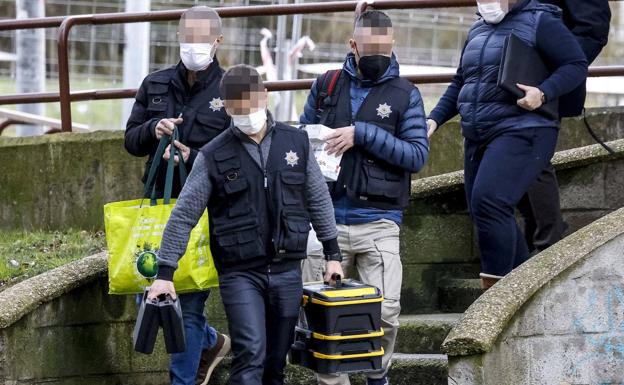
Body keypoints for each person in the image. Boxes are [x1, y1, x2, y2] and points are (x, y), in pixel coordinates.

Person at [147, 65, 344, 385]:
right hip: (240, 273)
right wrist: (165, 273)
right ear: (226, 107)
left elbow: (318, 199)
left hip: (287, 269)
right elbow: (184, 215)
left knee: (275, 364)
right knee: (251, 353)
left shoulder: (296, 143)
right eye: (237, 109)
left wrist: (333, 254)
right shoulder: (213, 155)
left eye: (251, 105)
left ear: (264, 96)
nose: (246, 114)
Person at [300, 10, 430, 385]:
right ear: (352, 45)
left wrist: (363, 134)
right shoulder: (325, 85)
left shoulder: (406, 95)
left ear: (392, 45)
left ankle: (378, 373)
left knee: (386, 312)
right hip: (323, 221)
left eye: (383, 47)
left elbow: (417, 155)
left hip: (379, 220)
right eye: (369, 47)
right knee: (318, 315)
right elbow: (299, 138)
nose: (377, 53)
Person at [427, 0, 588, 289]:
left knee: (489, 202)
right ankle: (521, 288)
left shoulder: (541, 21)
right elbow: (461, 81)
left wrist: (544, 92)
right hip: (478, 132)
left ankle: (496, 294)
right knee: (483, 209)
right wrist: (434, 119)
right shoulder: (477, 29)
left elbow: (575, 64)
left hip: (525, 127)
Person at [124, 6, 231, 385]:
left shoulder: (230, 89)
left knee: (186, 304)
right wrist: (154, 130)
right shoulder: (155, 83)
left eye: (202, 39)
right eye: (188, 37)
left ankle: (181, 380)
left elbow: (243, 151)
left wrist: (196, 157)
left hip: (206, 211)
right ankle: (211, 341)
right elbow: (130, 140)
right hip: (158, 206)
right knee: (148, 295)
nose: (194, 45)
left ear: (218, 41)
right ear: (178, 37)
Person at [517, 0, 612, 254]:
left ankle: (548, 244)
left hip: (548, 84)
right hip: (511, 81)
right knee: (521, 161)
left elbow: (593, 30)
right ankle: (538, 242)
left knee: (533, 158)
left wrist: (554, 72)